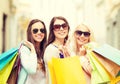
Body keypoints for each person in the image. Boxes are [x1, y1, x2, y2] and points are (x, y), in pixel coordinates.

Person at [18, 19, 47, 84]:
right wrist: (32, 49)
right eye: (35, 30)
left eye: (42, 30)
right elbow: (31, 70)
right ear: (30, 33)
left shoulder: (45, 50)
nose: (39, 33)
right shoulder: (25, 49)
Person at [43, 16, 70, 84]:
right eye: (57, 27)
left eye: (64, 26)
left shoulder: (69, 47)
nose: (61, 29)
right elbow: (54, 75)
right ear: (52, 30)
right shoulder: (51, 50)